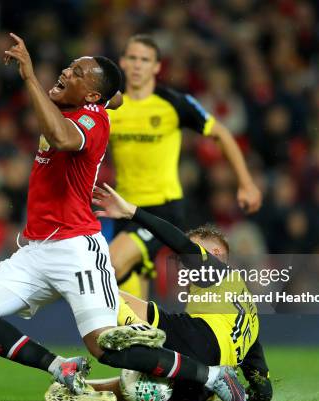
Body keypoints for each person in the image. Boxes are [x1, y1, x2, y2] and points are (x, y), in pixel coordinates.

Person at [0, 34, 246, 401]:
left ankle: (214, 376)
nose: (65, 73)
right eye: (69, 67)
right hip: (35, 250)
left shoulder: (92, 120)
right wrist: (104, 90)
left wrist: (30, 78)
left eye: (76, 73)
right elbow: (113, 96)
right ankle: (60, 367)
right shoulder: (93, 103)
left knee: (107, 349)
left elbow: (60, 137)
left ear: (90, 97)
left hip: (78, 252)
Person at [45, 183, 271, 401]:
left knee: (103, 289)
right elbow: (263, 386)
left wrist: (132, 212)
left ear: (215, 252)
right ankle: (88, 389)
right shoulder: (249, 316)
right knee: (147, 387)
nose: (181, 263)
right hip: (202, 387)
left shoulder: (216, 269)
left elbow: (177, 240)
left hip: (203, 339)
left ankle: (136, 327)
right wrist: (254, 391)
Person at [107, 34, 262, 299]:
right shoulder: (110, 107)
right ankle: (145, 338)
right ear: (122, 61)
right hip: (122, 211)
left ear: (156, 66)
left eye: (144, 59)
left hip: (161, 210)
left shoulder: (174, 103)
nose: (137, 65)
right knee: (129, 306)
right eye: (132, 57)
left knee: (109, 265)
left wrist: (246, 183)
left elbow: (221, 134)